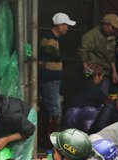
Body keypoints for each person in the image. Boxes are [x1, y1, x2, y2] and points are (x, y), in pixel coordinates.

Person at [38, 12, 76, 149]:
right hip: (50, 81)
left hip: (51, 81)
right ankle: (50, 142)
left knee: (50, 109)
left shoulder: (51, 39)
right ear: (59, 25)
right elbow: (43, 61)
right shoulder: (51, 41)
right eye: (66, 25)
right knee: (53, 110)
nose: (67, 28)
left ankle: (47, 139)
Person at [78, 13, 118, 95]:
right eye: (113, 28)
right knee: (91, 97)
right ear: (106, 25)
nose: (115, 30)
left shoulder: (111, 36)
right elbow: (83, 52)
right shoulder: (90, 36)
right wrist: (88, 72)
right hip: (93, 74)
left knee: (103, 99)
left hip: (105, 73)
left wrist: (114, 72)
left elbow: (111, 55)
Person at [64, 63, 107, 132]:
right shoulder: (96, 89)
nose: (101, 79)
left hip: (70, 115)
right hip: (80, 116)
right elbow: (105, 103)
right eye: (101, 76)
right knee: (92, 110)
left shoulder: (78, 84)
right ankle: (90, 135)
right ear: (96, 77)